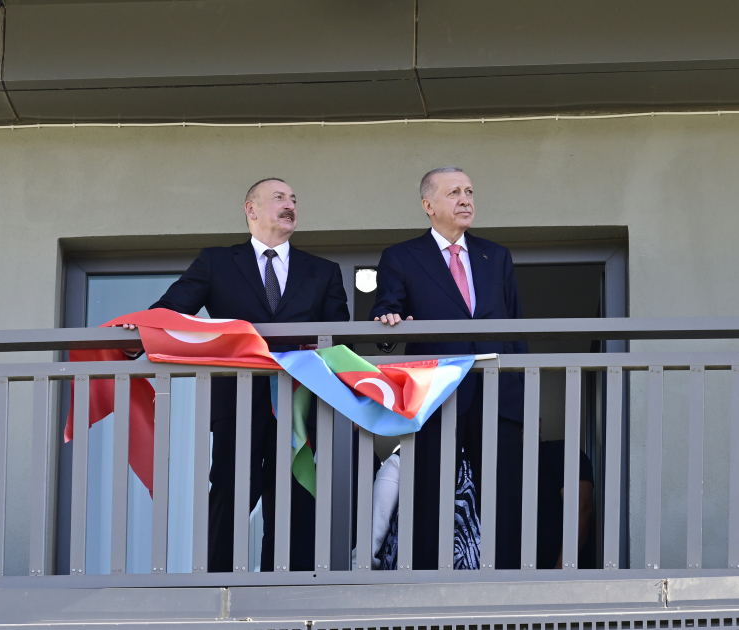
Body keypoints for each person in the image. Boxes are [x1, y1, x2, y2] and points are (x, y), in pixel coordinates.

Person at [126, 178, 350, 572]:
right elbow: (173, 309)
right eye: (279, 197)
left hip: (299, 402)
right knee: (231, 491)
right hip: (237, 400)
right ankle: (217, 583)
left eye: (294, 199)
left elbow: (339, 337)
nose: (290, 205)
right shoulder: (217, 261)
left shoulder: (323, 271)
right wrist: (136, 333)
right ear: (251, 209)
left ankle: (287, 585)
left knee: (295, 495)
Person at [369, 166, 527, 570]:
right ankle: (426, 581)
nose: (465, 200)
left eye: (469, 191)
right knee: (429, 492)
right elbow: (386, 311)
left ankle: (506, 581)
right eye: (454, 192)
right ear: (429, 205)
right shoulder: (402, 256)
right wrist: (388, 321)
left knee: (503, 494)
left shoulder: (496, 255)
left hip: (497, 391)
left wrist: (523, 394)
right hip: (436, 393)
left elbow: (515, 327)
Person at [536, 435, 594, 570]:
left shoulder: (559, 451)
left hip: (557, 572)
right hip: (509, 574)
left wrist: (562, 568)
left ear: (538, 424)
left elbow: (582, 507)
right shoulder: (505, 464)